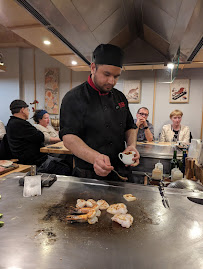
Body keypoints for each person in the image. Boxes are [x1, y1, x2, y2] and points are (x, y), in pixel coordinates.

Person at [60, 44, 140, 181]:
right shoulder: (73, 97)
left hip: (121, 173)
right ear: (93, 68)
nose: (111, 81)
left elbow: (130, 127)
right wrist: (95, 158)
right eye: (107, 74)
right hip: (87, 176)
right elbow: (69, 137)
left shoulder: (120, 97)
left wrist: (132, 146)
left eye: (116, 76)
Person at [6, 99, 71, 175]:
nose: (28, 112)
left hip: (34, 159)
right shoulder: (21, 124)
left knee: (66, 160)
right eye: (28, 110)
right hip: (36, 162)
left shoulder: (11, 123)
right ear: (23, 110)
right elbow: (40, 136)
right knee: (66, 167)